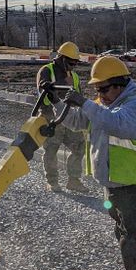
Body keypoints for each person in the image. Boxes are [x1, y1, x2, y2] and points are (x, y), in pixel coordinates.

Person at [61, 55, 136, 270]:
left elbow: (115, 123)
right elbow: (78, 122)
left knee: (133, 236)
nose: (99, 96)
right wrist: (56, 103)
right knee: (123, 231)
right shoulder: (102, 105)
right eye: (96, 91)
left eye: (103, 90)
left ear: (119, 85)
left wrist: (84, 103)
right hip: (114, 182)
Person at [35, 41, 89, 193]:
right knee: (51, 149)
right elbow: (44, 92)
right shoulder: (47, 70)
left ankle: (74, 180)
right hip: (51, 117)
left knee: (79, 147)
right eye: (71, 63)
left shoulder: (74, 76)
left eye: (75, 63)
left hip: (69, 116)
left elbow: (78, 96)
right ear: (62, 58)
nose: (73, 66)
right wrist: (60, 84)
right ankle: (52, 181)